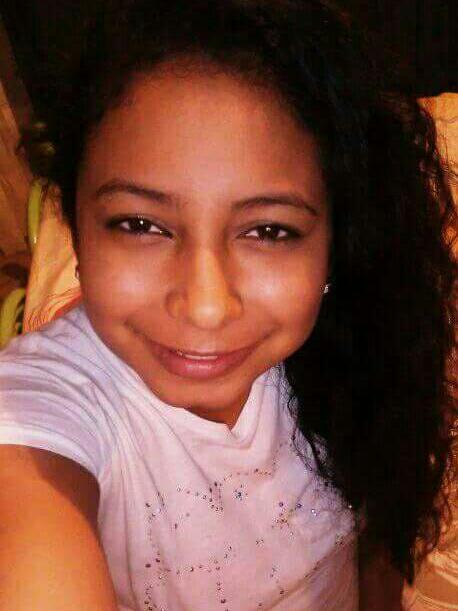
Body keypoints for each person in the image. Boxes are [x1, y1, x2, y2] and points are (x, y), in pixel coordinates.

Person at [0, 1, 456, 609]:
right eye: (140, 224)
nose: (206, 308)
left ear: (333, 244)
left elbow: (377, 539)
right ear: (78, 230)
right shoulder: (45, 411)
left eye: (269, 231)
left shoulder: (360, 333)